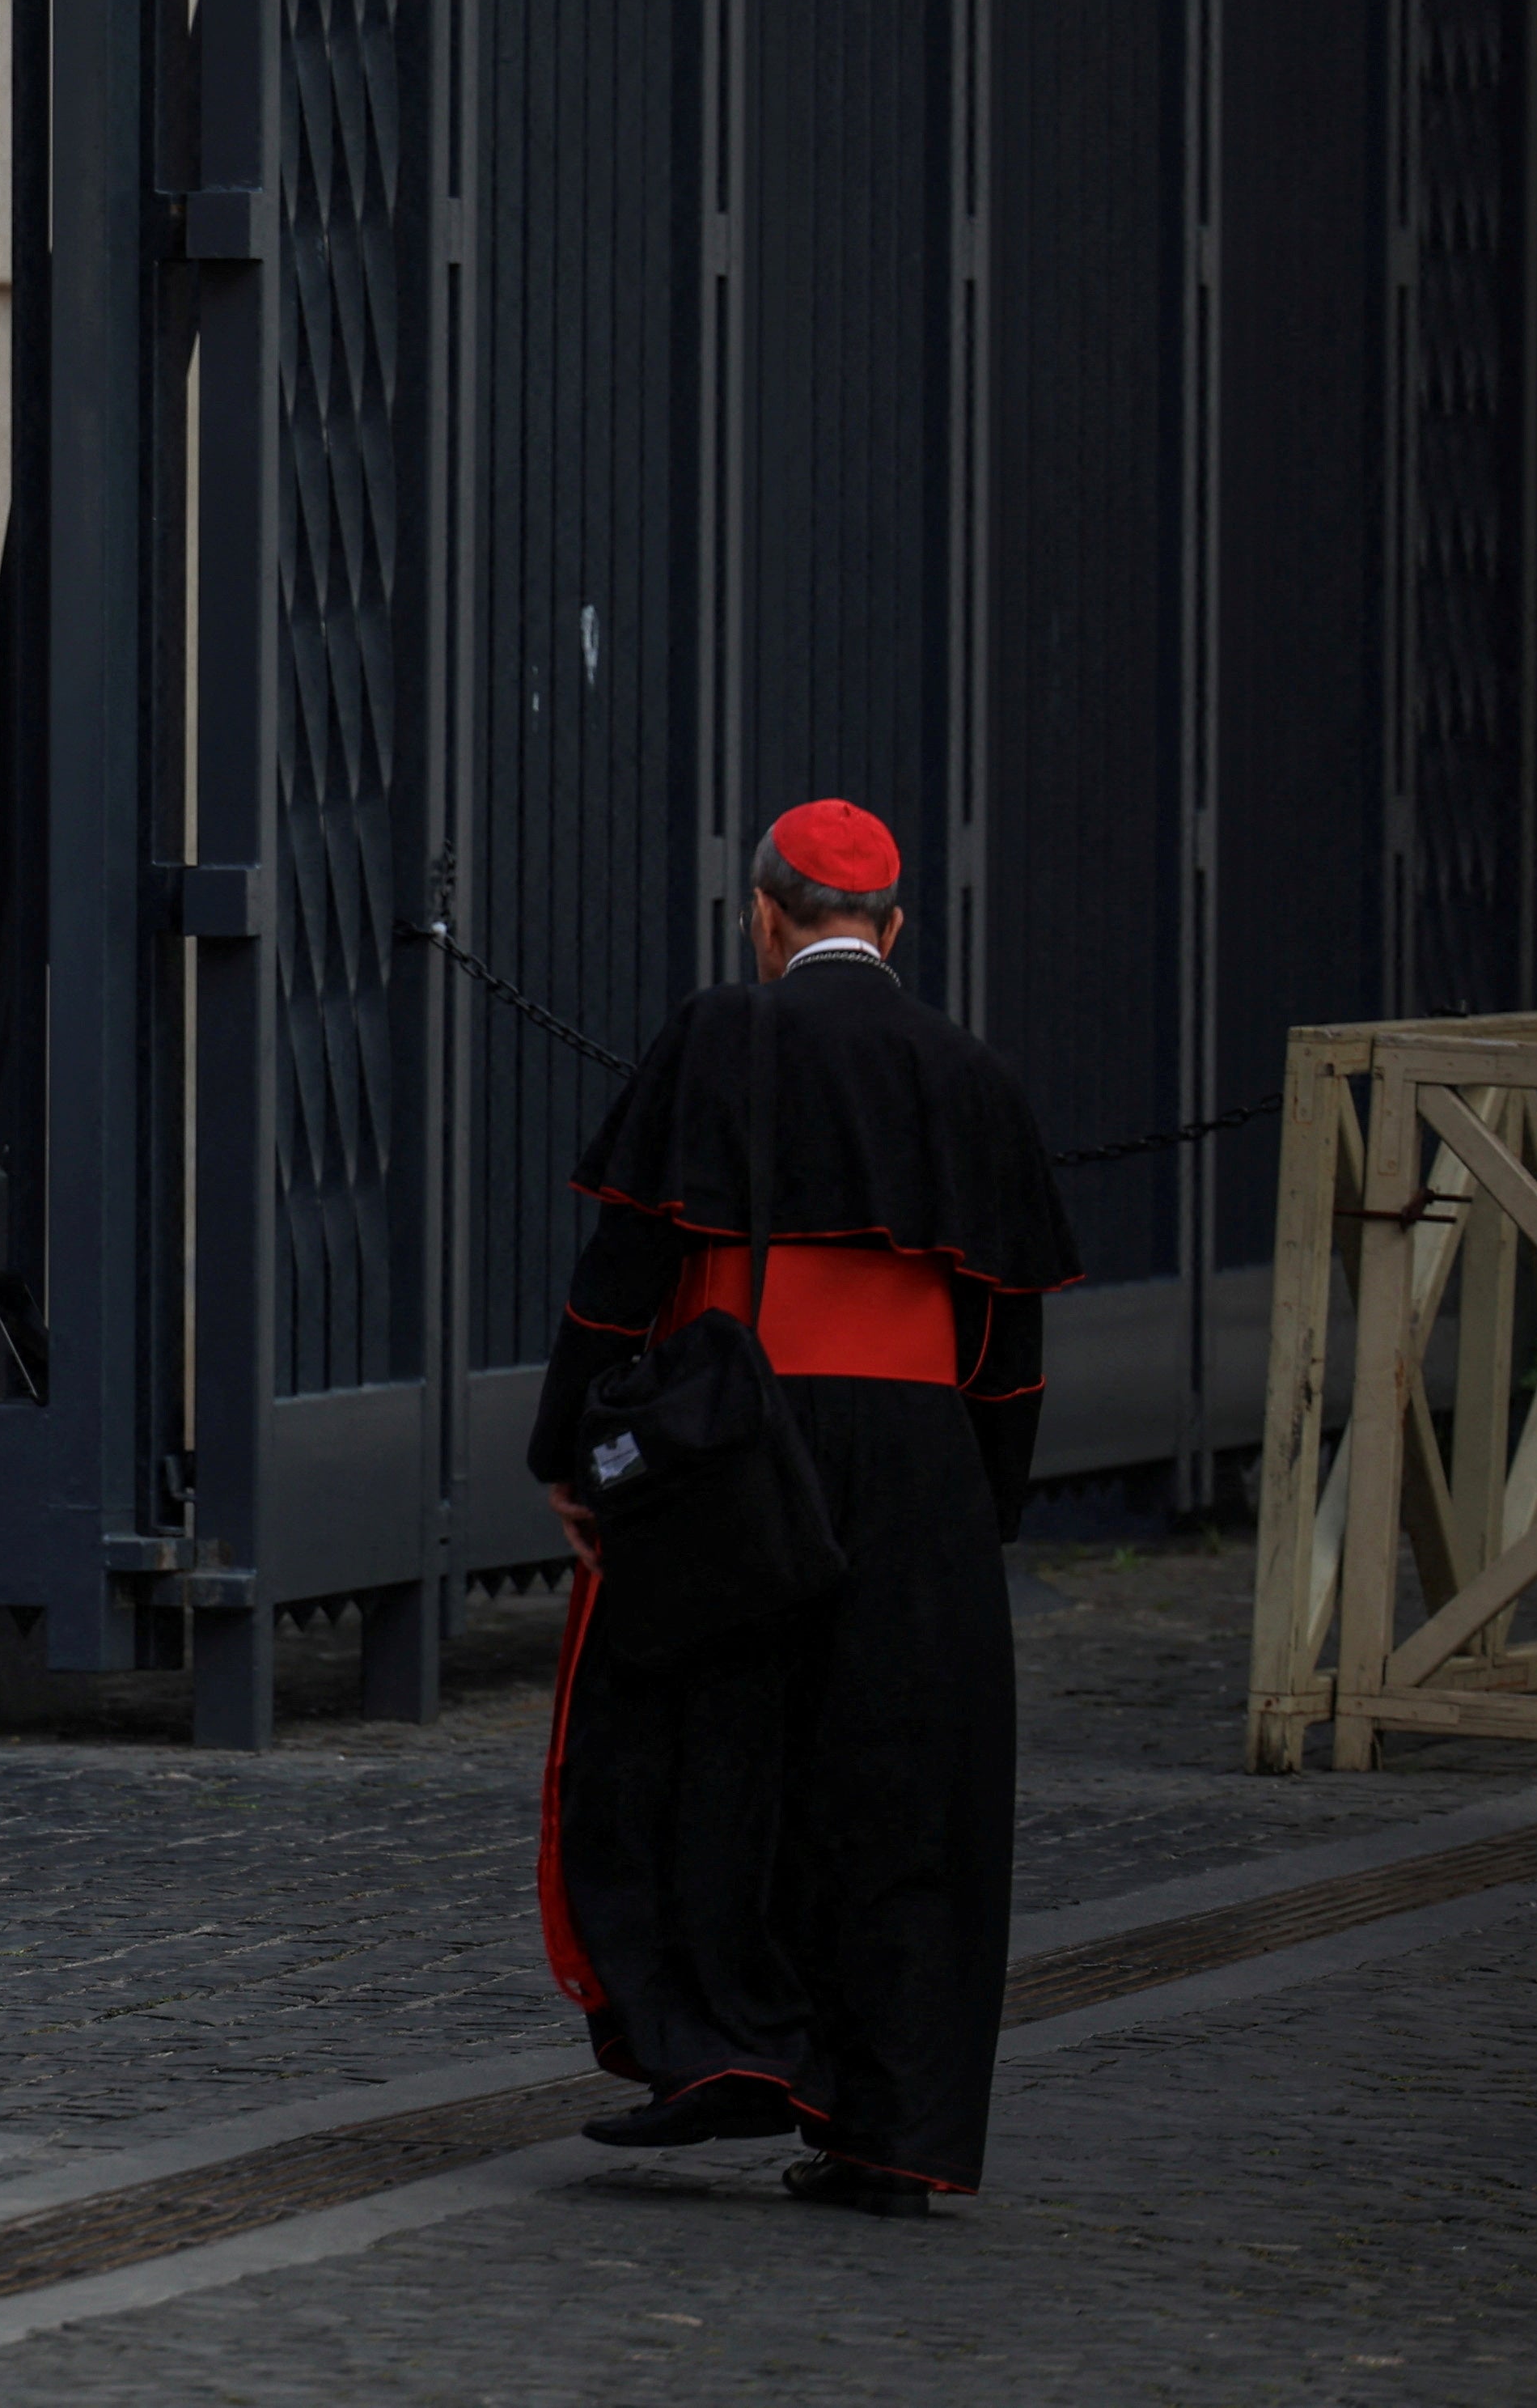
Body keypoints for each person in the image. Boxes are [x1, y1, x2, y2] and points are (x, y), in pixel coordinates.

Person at [529, 798, 1078, 2219]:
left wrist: (568, 1450)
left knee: (703, 1744)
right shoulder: (974, 1074)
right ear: (897, 928)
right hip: (922, 1457)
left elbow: (620, 1269)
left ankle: (723, 2047)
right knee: (902, 1785)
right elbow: (1007, 1347)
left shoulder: (722, 1032)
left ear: (763, 918)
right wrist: (980, 1509)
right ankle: (889, 2129)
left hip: (742, 1443)